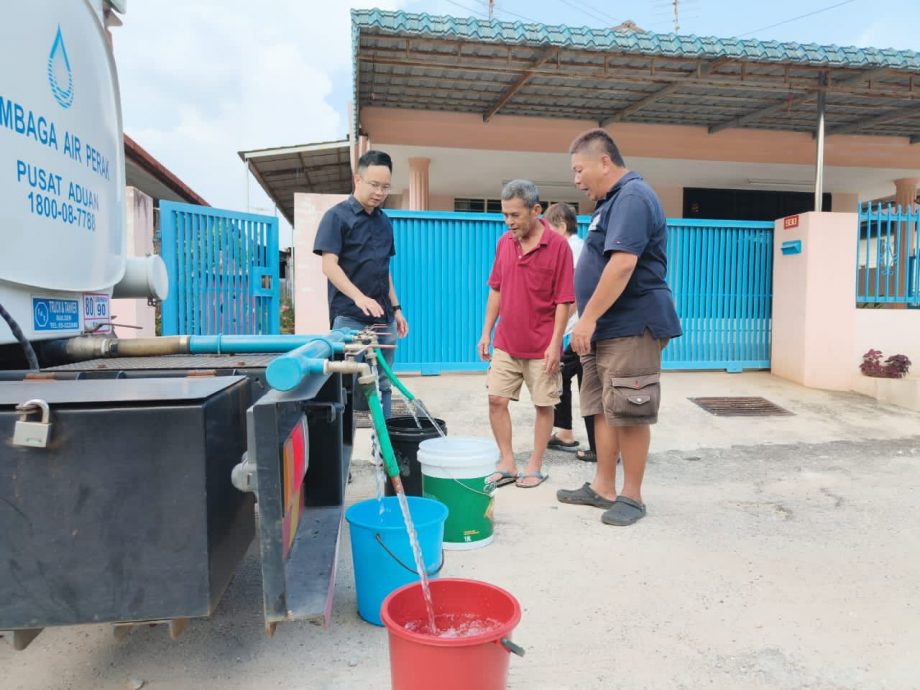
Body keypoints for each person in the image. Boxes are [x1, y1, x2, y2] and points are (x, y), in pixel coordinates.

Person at [557, 129, 682, 526]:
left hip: (631, 324)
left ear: (604, 162)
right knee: (601, 408)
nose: (576, 179)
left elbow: (623, 264)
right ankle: (603, 486)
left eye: (580, 170)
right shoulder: (609, 203)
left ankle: (632, 496)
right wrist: (586, 321)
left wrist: (588, 319)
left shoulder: (632, 197)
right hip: (603, 328)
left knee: (629, 408)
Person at [478, 180, 574, 488]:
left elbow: (564, 300)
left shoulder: (558, 246)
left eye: (515, 215)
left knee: (544, 405)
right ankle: (508, 462)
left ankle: (535, 465)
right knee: (496, 399)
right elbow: (496, 289)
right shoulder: (504, 242)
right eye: (505, 215)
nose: (509, 222)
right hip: (507, 340)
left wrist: (555, 344)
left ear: (536, 210)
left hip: (542, 344)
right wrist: (485, 333)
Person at [313, 150, 408, 418]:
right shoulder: (337, 217)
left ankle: (384, 453)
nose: (379, 192)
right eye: (374, 185)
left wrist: (397, 308)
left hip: (383, 318)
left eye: (385, 187)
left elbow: (384, 269)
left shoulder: (384, 221)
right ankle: (344, 452)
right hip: (350, 319)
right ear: (358, 179)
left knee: (384, 383)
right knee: (348, 387)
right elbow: (329, 266)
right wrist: (359, 297)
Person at [543, 203, 598, 462]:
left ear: (562, 227)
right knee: (565, 374)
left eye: (549, 227)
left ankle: (598, 447)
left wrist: (557, 330)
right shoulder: (580, 246)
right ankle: (565, 431)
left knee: (587, 384)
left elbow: (575, 293)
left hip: (582, 330)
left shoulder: (572, 248)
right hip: (581, 328)